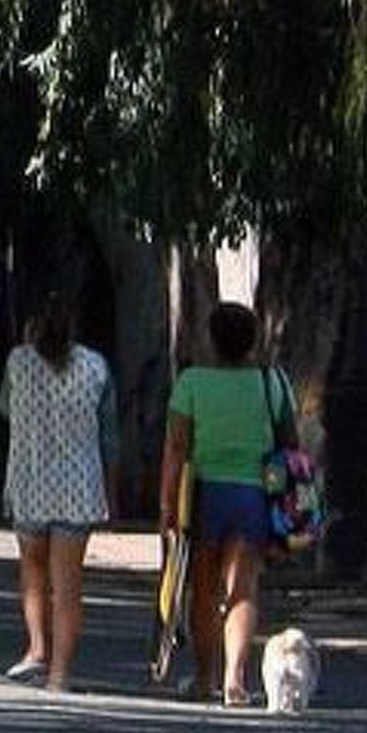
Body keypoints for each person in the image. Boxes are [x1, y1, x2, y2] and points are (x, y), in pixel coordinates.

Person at [159, 300, 283, 707]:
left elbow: (176, 448)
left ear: (212, 340)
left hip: (204, 494)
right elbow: (291, 441)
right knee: (243, 588)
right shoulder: (271, 381)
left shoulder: (192, 382)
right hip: (254, 496)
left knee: (204, 590)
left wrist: (166, 506)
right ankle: (235, 679)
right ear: (252, 342)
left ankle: (203, 676)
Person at [0, 291, 117, 694]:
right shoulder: (96, 367)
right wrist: (112, 490)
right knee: (68, 586)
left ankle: (37, 647)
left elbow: (4, 409)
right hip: (79, 487)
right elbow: (109, 433)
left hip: (30, 480)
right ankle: (60, 674)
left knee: (32, 569)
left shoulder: (19, 362)